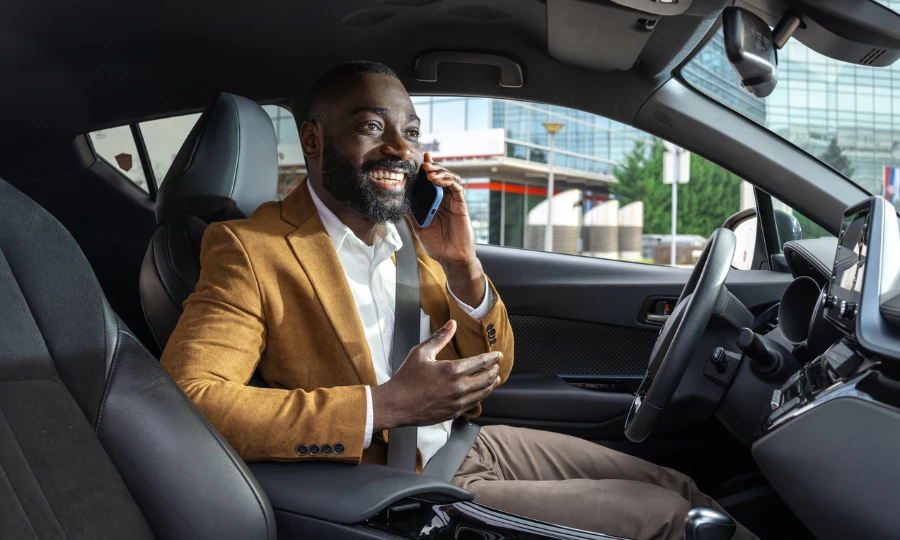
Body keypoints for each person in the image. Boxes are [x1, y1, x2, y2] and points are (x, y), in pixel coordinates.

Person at [161, 61, 756, 540]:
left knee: (679, 488)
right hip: (393, 489)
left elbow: (494, 370)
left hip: (464, 443)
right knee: (670, 521)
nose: (402, 148)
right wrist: (382, 407)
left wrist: (464, 267)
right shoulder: (251, 248)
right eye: (372, 126)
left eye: (412, 132)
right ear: (314, 140)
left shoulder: (404, 235)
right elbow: (190, 403)